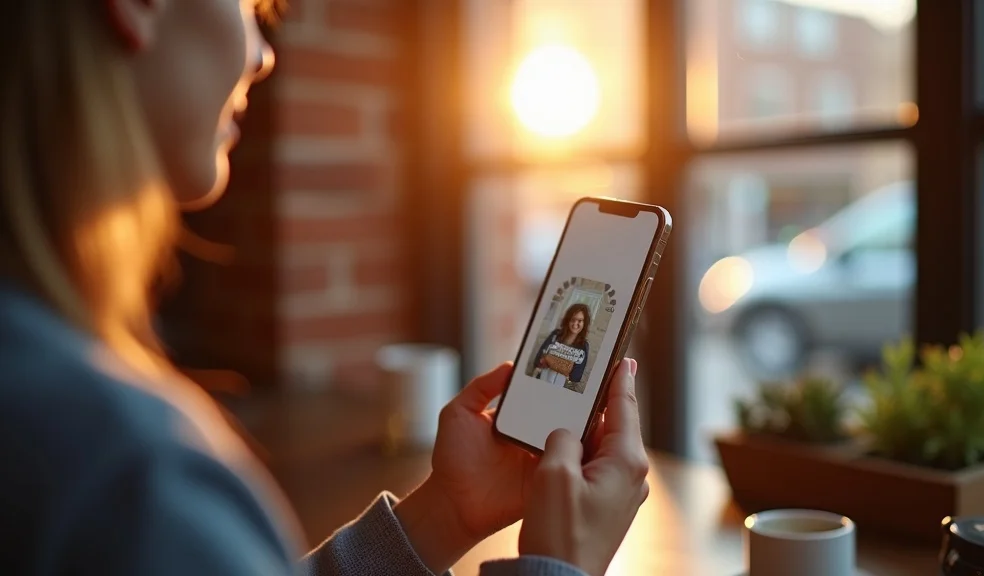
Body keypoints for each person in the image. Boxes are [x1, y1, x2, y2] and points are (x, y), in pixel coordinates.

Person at [0, 1, 651, 575]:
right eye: (252, 8)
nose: (262, 56)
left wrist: (444, 516)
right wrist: (558, 568)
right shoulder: (133, 479)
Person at [533, 303, 592, 387]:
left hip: (560, 387)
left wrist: (550, 361)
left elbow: (576, 376)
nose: (575, 324)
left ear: (584, 323)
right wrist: (566, 365)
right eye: (573, 319)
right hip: (540, 380)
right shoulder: (556, 335)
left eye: (580, 320)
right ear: (568, 320)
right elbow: (538, 360)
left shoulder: (583, 346)